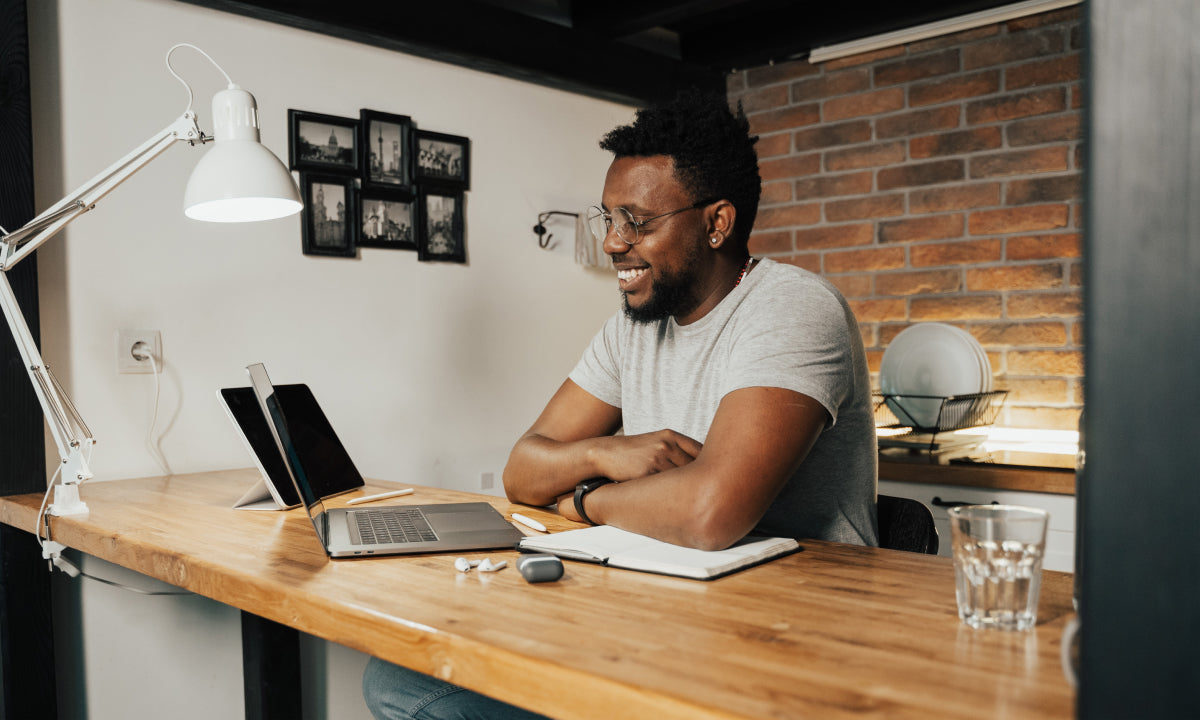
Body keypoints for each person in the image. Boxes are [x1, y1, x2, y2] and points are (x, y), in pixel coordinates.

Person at [363, 89, 877, 720]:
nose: (612, 243)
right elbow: (523, 472)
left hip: (791, 639)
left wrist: (581, 500)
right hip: (667, 615)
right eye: (607, 218)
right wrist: (609, 451)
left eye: (637, 221)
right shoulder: (632, 328)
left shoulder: (791, 309)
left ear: (717, 223)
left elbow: (710, 512)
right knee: (399, 681)